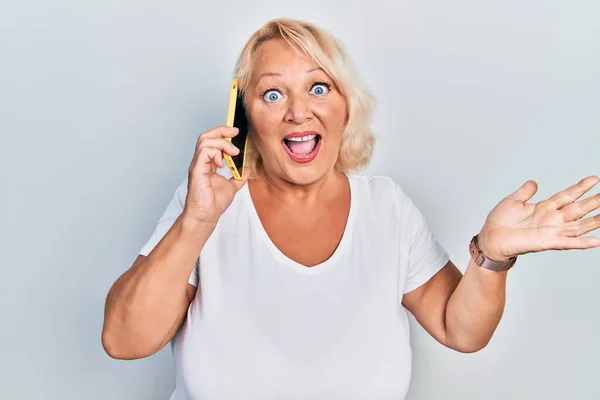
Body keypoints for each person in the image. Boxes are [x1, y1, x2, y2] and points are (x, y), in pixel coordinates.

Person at [101, 18, 600, 400]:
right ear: (244, 117)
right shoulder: (203, 209)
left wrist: (491, 256)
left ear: (346, 107)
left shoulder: (387, 208)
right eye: (272, 93)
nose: (299, 111)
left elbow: (460, 329)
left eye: (318, 88)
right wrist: (197, 222)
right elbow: (124, 341)